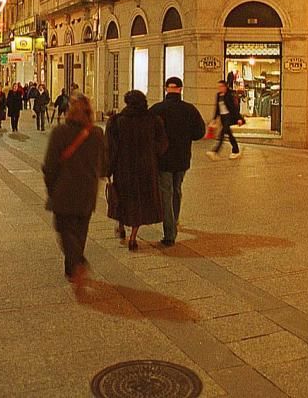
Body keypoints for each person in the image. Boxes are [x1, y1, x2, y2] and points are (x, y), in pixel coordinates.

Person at [43, 94, 105, 288]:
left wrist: (51, 188)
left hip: (64, 190)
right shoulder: (96, 133)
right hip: (87, 191)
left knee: (64, 229)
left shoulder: (60, 132)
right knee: (80, 231)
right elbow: (104, 163)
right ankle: (71, 270)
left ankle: (77, 263)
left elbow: (50, 166)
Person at [105, 90, 168, 251]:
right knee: (141, 203)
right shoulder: (154, 121)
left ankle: (120, 225)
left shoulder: (117, 121)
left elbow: (111, 149)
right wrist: (151, 152)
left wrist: (108, 169)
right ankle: (133, 237)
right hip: (146, 168)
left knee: (124, 198)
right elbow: (162, 145)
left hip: (123, 168)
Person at [150, 77, 206, 246]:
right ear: (181, 89)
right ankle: (174, 222)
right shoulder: (189, 109)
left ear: (166, 89)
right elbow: (199, 133)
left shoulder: (157, 109)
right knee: (177, 190)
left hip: (163, 159)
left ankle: (169, 233)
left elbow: (148, 133)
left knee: (165, 193)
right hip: (182, 158)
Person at [207, 80, 242, 160]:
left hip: (228, 116)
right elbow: (217, 108)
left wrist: (239, 118)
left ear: (225, 87)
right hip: (222, 117)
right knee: (229, 134)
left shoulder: (229, 95)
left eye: (221, 86)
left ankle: (215, 151)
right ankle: (236, 150)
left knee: (222, 133)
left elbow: (234, 108)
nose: (219, 88)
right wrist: (214, 119)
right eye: (218, 87)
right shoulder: (218, 95)